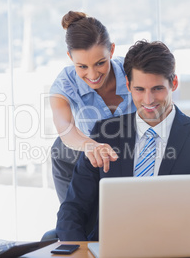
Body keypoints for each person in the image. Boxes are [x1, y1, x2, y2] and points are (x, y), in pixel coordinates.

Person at [56, 40, 190, 241]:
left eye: (157, 89)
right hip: (112, 251)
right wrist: (78, 253)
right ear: (128, 85)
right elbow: (73, 209)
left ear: (174, 83)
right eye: (139, 89)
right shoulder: (104, 133)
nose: (148, 100)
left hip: (177, 250)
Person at [49, 11, 136, 203]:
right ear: (70, 58)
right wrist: (89, 145)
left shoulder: (133, 71)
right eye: (82, 67)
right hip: (94, 169)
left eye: (100, 63)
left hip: (136, 168)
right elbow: (65, 128)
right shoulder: (65, 84)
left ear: (111, 50)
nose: (93, 74)